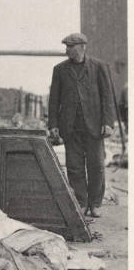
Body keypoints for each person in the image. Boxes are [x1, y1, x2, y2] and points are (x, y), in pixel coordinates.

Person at [48, 33, 115, 218]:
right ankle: (81, 202)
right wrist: (53, 124)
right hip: (70, 127)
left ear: (82, 47)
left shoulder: (99, 67)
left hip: (94, 126)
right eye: (66, 46)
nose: (66, 50)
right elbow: (54, 99)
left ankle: (95, 204)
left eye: (70, 46)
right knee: (74, 167)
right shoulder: (60, 69)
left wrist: (108, 123)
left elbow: (108, 97)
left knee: (97, 166)